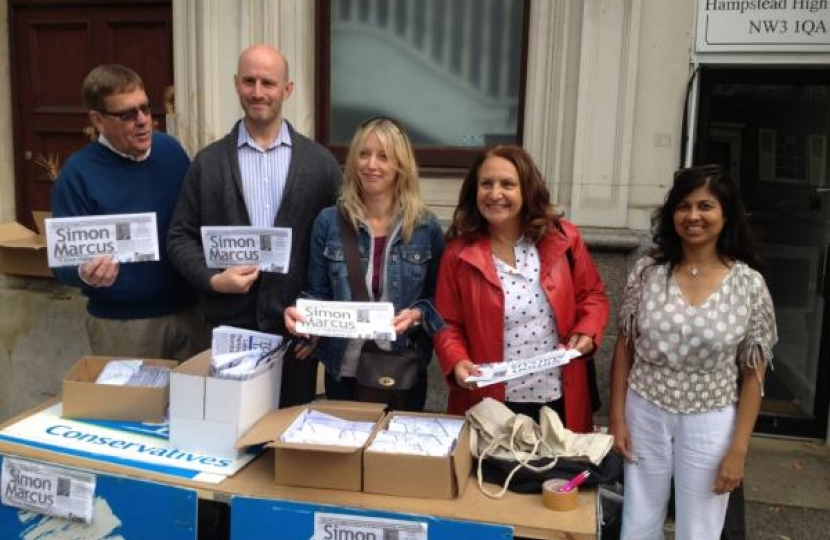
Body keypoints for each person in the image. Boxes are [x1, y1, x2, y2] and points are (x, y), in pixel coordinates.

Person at [167, 44, 341, 407]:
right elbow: (180, 238)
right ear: (236, 84)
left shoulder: (321, 165)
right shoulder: (209, 163)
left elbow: (337, 249)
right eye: (249, 81)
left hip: (296, 335)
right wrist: (213, 279)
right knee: (227, 436)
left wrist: (320, 320)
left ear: (287, 90)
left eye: (268, 82)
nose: (258, 92)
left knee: (286, 442)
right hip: (228, 331)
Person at [609, 164, 777, 540]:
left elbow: (753, 376)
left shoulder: (749, 285)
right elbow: (625, 348)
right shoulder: (647, 273)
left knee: (699, 527)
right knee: (638, 518)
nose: (693, 216)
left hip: (710, 416)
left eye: (706, 206)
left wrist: (739, 450)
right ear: (672, 215)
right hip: (645, 408)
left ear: (726, 214)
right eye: (684, 206)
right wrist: (617, 417)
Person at [433, 145, 609, 431]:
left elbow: (592, 296)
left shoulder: (563, 238)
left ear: (527, 189)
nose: (495, 194)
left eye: (508, 184)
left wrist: (587, 331)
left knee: (556, 476)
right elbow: (446, 323)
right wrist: (457, 360)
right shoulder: (458, 254)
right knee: (491, 476)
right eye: (486, 184)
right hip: (490, 400)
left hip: (558, 395)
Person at [283, 117, 444, 411]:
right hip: (345, 370)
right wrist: (302, 318)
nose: (371, 164)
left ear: (401, 165)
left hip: (402, 368)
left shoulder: (425, 227)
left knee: (396, 456)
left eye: (384, 156)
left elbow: (440, 300)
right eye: (364, 153)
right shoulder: (329, 222)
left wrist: (417, 315)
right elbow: (316, 292)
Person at [51, 64, 202, 361]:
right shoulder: (78, 173)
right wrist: (87, 273)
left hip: (191, 313)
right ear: (98, 120)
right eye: (128, 114)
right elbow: (62, 263)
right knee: (134, 409)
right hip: (123, 326)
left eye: (145, 108)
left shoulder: (171, 151)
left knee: (196, 406)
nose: (143, 121)